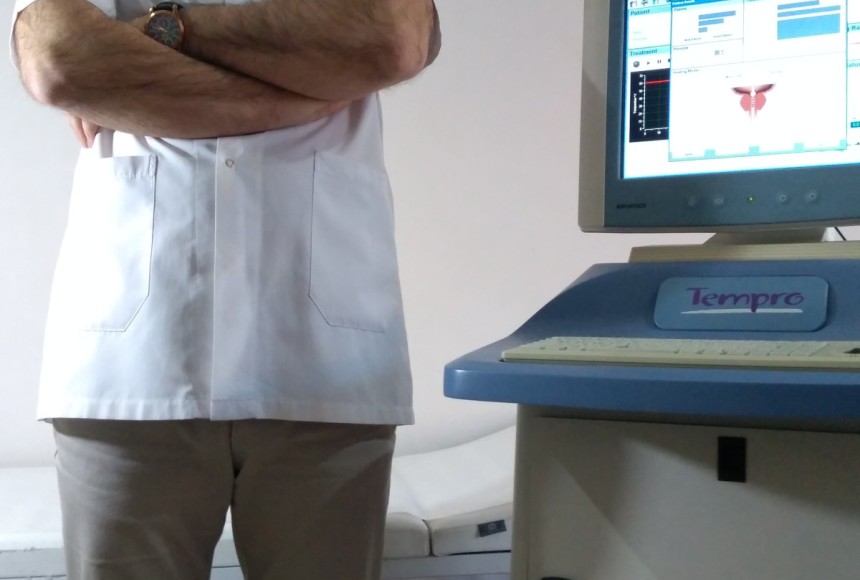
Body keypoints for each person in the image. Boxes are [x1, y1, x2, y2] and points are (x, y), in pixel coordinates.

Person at [10, 1, 441, 578]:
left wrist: (147, 41)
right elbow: (59, 58)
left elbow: (389, 40)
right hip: (132, 366)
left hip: (326, 364)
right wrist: (296, 89)